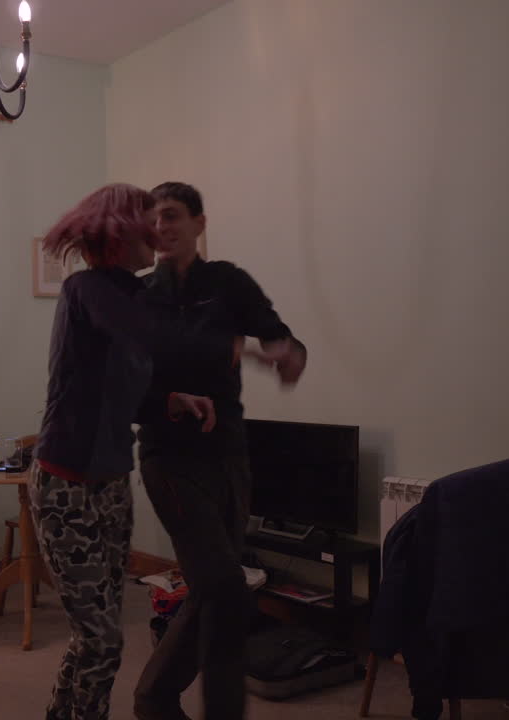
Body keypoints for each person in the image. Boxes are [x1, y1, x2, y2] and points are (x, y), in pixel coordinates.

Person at [32, 183, 238, 720]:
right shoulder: (88, 290)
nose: (157, 234)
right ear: (122, 235)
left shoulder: (126, 295)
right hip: (67, 486)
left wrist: (172, 399)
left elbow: (124, 388)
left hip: (111, 483)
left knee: (95, 635)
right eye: (149, 224)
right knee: (103, 641)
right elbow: (139, 324)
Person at [133, 182, 307, 720]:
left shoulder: (228, 283)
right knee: (226, 588)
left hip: (230, 455)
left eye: (172, 215)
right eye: (155, 218)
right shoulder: (140, 296)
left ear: (199, 223)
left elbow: (283, 341)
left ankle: (163, 700)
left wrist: (284, 355)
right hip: (169, 459)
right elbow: (129, 388)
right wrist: (171, 401)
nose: (162, 226)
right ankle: (171, 701)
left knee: (218, 591)